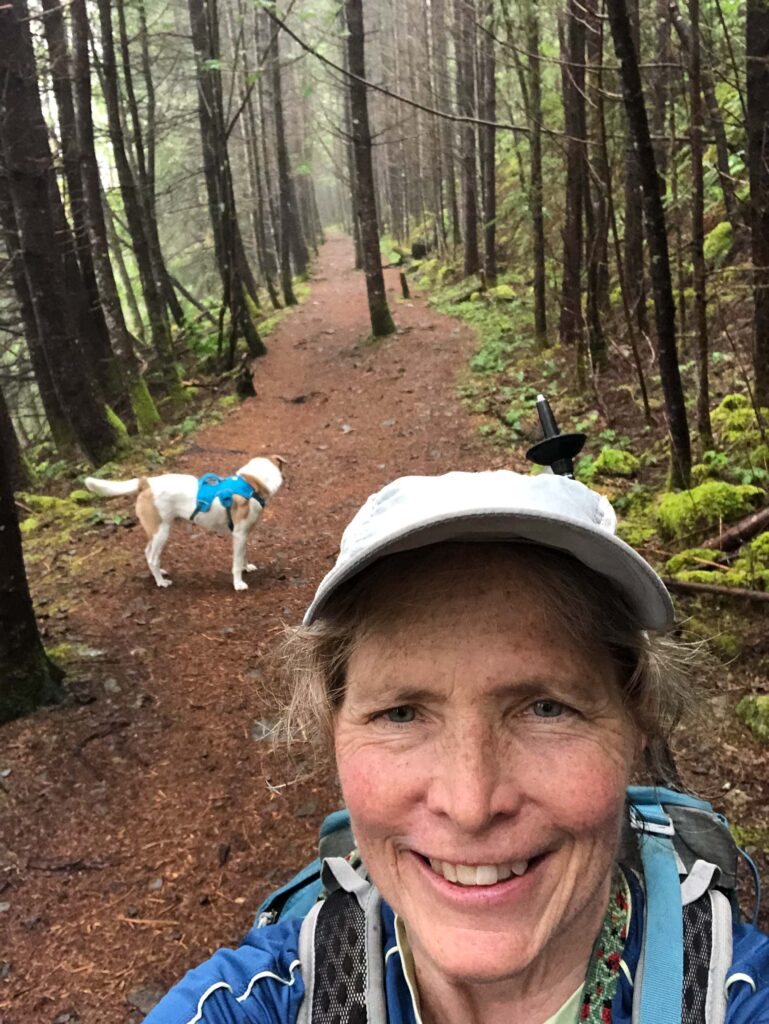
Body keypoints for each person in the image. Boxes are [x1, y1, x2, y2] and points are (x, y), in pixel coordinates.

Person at [145, 470, 769, 1024]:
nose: (471, 805)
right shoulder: (258, 1001)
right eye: (401, 713)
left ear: (637, 723)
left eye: (546, 708)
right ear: (333, 729)